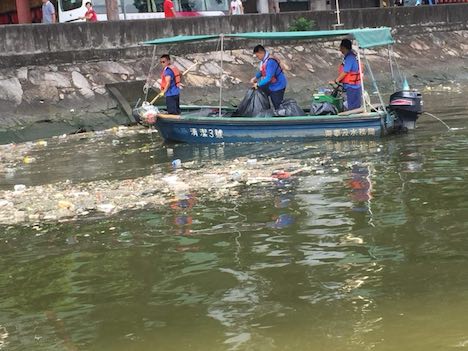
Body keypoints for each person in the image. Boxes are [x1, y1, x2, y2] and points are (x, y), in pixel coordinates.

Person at [250, 45, 287, 110]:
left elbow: (268, 78)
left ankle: (280, 116)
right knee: (260, 91)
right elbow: (262, 72)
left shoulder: (270, 62)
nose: (258, 58)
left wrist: (258, 84)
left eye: (257, 56)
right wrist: (255, 77)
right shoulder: (264, 61)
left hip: (278, 86)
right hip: (270, 85)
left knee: (277, 106)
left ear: (261, 52)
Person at [330, 39, 362, 111]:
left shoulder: (350, 57)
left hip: (352, 87)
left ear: (344, 47)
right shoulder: (351, 56)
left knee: (353, 108)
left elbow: (345, 71)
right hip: (352, 86)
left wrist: (336, 81)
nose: (340, 49)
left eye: (340, 47)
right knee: (351, 105)